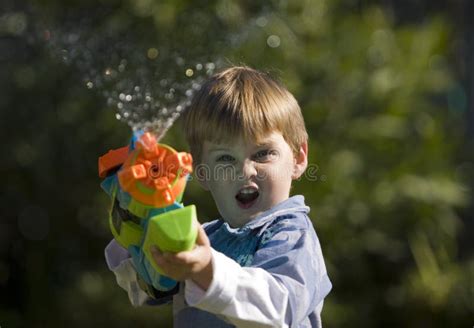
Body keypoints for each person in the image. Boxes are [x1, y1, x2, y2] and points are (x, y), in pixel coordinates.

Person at [104, 66, 332, 327]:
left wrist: (208, 272)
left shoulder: (291, 233)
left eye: (263, 153)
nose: (245, 171)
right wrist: (138, 218)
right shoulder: (205, 239)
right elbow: (144, 289)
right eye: (225, 158)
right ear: (201, 172)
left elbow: (280, 310)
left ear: (298, 158)